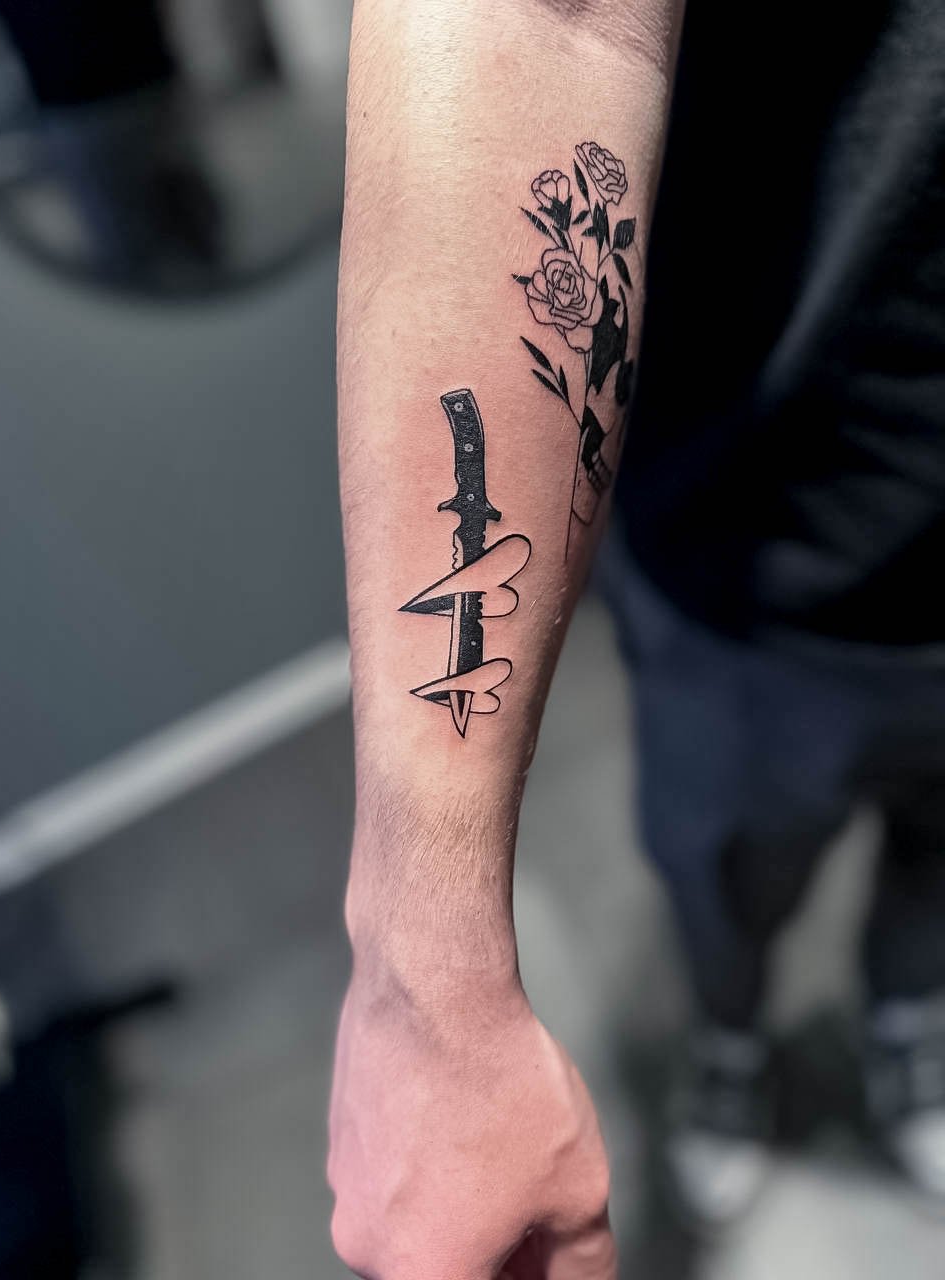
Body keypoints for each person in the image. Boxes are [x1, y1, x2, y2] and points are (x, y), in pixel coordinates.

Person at [328, 0, 945, 1272]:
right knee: (726, 878)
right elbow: (535, 25)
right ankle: (729, 1043)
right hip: (760, 565)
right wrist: (425, 969)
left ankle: (911, 1020)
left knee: (937, 877)